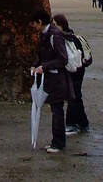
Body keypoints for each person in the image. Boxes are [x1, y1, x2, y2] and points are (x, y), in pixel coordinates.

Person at [30, 8, 75, 154]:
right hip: (51, 78)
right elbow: (42, 55)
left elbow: (63, 58)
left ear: (40, 22)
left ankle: (58, 143)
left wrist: (44, 66)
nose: (33, 27)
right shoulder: (45, 35)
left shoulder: (54, 35)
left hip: (58, 79)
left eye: (34, 24)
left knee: (57, 111)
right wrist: (36, 65)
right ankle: (57, 142)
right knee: (56, 110)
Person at [51, 13, 90, 135]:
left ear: (62, 25)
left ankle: (71, 124)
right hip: (77, 69)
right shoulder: (69, 37)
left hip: (75, 70)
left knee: (73, 97)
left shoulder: (66, 38)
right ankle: (83, 123)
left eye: (55, 25)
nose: (53, 27)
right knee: (76, 97)